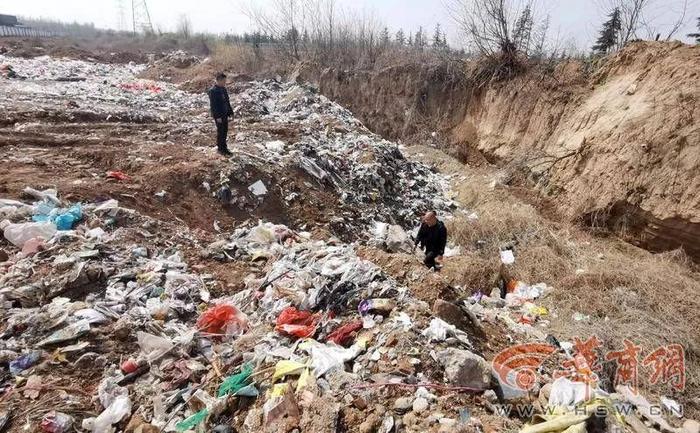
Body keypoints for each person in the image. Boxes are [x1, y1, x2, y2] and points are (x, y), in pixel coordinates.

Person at [208, 72, 234, 156]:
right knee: (221, 131)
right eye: (223, 81)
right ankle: (220, 148)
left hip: (225, 113)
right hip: (219, 115)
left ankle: (224, 147)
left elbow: (227, 101)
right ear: (218, 80)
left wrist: (230, 112)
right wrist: (217, 116)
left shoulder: (223, 89)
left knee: (225, 131)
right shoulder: (213, 91)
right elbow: (213, 105)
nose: (224, 83)